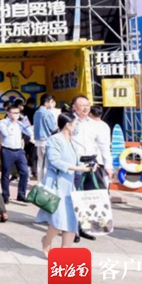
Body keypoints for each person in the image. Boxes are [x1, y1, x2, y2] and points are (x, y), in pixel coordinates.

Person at [37, 112, 98, 257]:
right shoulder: (54, 139)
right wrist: (78, 168)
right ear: (68, 125)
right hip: (56, 183)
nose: (77, 127)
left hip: (69, 183)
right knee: (57, 219)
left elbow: (75, 160)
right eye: (76, 124)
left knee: (71, 219)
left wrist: (88, 165)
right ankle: (47, 241)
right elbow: (54, 160)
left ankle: (65, 252)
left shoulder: (72, 141)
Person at [70, 95, 111, 242]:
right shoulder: (69, 122)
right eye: (82, 105)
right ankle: (73, 230)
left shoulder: (94, 124)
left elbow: (103, 145)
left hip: (92, 164)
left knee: (90, 198)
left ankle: (85, 227)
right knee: (74, 198)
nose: (85, 108)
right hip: (75, 165)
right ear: (74, 107)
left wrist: (108, 165)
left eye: (87, 105)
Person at [0, 103, 33, 204]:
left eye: (18, 113)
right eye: (14, 113)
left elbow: (30, 133)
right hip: (7, 150)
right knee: (6, 173)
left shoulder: (20, 124)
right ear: (8, 113)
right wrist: (12, 122)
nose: (16, 115)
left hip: (19, 150)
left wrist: (26, 124)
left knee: (24, 172)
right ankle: (5, 195)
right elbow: (6, 133)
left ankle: (21, 194)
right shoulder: (3, 123)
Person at [33, 94, 58, 183]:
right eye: (51, 102)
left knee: (40, 162)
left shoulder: (37, 112)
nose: (52, 104)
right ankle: (45, 183)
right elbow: (53, 128)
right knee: (46, 164)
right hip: (47, 140)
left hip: (38, 141)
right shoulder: (47, 113)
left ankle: (39, 182)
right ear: (46, 103)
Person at [89, 105, 112, 181]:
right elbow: (106, 146)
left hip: (94, 159)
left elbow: (103, 145)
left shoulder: (89, 125)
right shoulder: (105, 125)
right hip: (102, 159)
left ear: (90, 113)